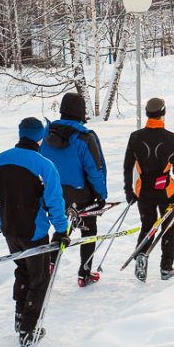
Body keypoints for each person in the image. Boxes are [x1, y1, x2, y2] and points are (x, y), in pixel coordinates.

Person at [0, 117, 69, 345]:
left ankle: (21, 318)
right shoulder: (44, 165)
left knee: (22, 270)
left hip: (10, 229)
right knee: (39, 279)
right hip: (35, 233)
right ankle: (29, 330)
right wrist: (61, 230)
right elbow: (54, 201)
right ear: (40, 137)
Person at [40, 93, 108, 288]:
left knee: (62, 226)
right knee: (89, 230)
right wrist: (101, 195)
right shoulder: (84, 137)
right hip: (81, 194)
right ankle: (84, 273)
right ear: (81, 112)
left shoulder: (46, 135)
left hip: (54, 193)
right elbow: (95, 169)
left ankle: (50, 263)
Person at [123, 98, 174, 282]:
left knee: (148, 225)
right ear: (163, 112)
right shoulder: (172, 138)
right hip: (165, 190)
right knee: (168, 226)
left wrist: (129, 191)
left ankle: (141, 256)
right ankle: (166, 267)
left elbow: (128, 167)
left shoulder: (135, 137)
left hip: (143, 190)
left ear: (146, 113)